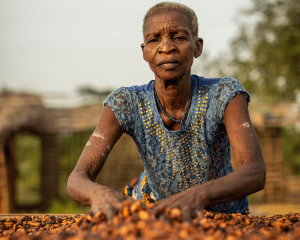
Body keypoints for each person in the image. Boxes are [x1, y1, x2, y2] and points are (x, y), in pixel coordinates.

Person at [67, 2, 266, 219]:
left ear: (197, 47)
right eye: (154, 40)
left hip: (225, 215)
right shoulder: (126, 103)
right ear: (145, 52)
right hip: (155, 214)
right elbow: (77, 178)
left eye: (179, 37)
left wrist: (198, 196)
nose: (166, 47)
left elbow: (254, 172)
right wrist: (99, 194)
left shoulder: (224, 95)